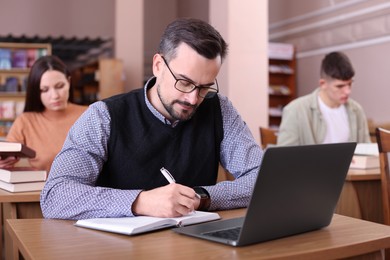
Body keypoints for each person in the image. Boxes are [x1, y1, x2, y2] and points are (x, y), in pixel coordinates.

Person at [40, 18, 263, 220]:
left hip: (196, 245)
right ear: (158, 65)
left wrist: (202, 197)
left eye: (204, 87)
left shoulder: (220, 109)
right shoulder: (103, 116)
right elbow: (55, 195)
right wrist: (140, 201)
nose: (193, 98)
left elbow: (262, 178)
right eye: (184, 82)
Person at [0, 55, 87, 172]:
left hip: (86, 189)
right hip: (42, 189)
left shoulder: (89, 114)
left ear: (69, 82)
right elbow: (6, 153)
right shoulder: (26, 121)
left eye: (60, 86)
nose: (55, 96)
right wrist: (5, 161)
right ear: (36, 92)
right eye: (44, 90)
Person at [277, 51, 371, 146]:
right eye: (340, 86)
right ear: (323, 84)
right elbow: (283, 156)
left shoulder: (356, 110)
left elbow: (367, 149)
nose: (347, 91)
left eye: (350, 84)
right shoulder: (295, 110)